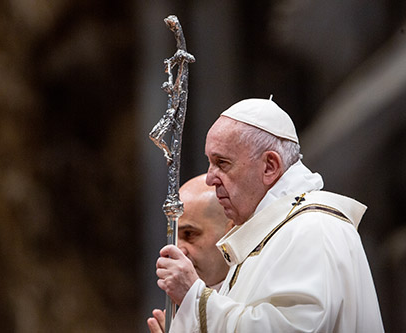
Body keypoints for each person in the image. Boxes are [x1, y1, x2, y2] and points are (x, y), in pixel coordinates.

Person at [155, 98, 384, 332]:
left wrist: (196, 300)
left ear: (269, 166)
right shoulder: (271, 234)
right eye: (210, 163)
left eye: (222, 163)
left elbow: (295, 328)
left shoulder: (312, 227)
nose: (209, 179)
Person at [147, 174, 234, 333]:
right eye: (173, 236)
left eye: (189, 234)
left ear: (231, 231)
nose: (177, 249)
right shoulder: (182, 310)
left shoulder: (256, 297)